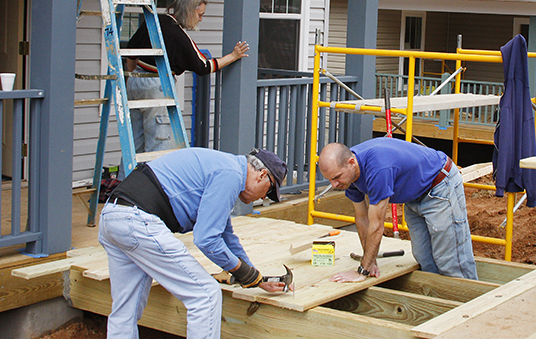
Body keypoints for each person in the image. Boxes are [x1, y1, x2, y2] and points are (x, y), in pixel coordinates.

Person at [98, 147, 288, 339]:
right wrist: (240, 271)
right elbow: (207, 239)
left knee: (125, 311)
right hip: (138, 221)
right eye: (269, 191)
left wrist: (256, 278)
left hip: (113, 216)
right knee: (205, 295)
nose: (264, 198)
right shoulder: (230, 175)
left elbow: (225, 234)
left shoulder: (225, 166)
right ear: (262, 175)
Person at [318, 138, 477, 282]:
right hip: (413, 195)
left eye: (337, 177)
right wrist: (371, 260)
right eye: (330, 179)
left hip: (439, 185)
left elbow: (376, 225)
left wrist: (363, 270)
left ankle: (470, 307)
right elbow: (362, 219)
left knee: (451, 260)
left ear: (351, 163)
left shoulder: (377, 168)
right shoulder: (348, 174)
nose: (334, 185)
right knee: (424, 258)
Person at [125, 0, 250, 153]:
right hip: (157, 83)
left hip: (135, 82)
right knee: (158, 141)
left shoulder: (155, 21)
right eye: (199, 15)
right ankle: (152, 179)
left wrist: (134, 75)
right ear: (189, 12)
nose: (200, 19)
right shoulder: (178, 35)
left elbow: (130, 50)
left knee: (135, 139)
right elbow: (204, 66)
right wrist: (233, 56)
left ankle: (127, 178)